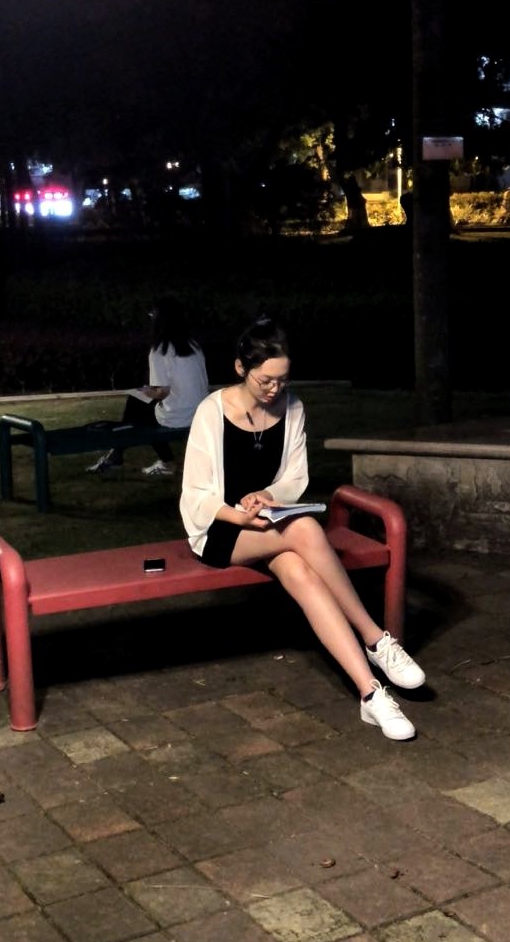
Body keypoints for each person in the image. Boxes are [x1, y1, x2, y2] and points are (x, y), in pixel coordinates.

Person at [180, 315, 426, 740]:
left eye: (283, 379)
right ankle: (376, 638)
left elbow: (295, 478)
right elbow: (195, 495)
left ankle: (370, 694)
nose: (275, 389)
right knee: (308, 530)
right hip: (221, 529)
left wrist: (267, 495)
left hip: (271, 525)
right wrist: (239, 515)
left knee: (301, 572)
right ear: (240, 368)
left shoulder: (292, 407)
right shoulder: (211, 411)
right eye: (265, 380)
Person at [89, 298, 209, 476]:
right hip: (199, 412)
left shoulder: (160, 350)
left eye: (152, 315)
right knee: (139, 407)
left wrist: (146, 391)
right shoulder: (194, 346)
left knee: (137, 411)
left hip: (178, 416)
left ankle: (125, 456)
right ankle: (117, 455)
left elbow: (162, 392)